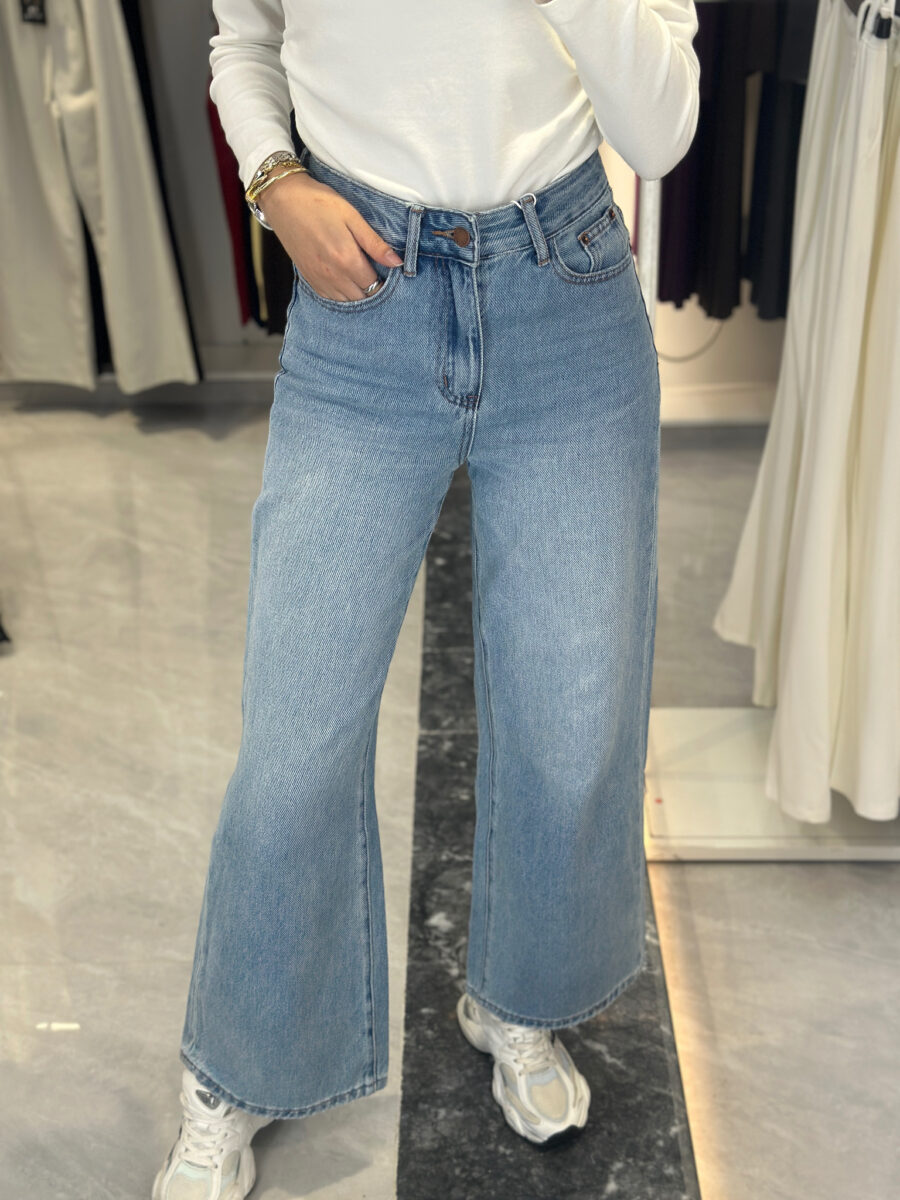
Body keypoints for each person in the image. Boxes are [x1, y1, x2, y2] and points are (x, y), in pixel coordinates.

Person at [152, 1, 700, 1196]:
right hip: (364, 296)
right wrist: (274, 181)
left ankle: (520, 1000)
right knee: (294, 732)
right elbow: (244, 38)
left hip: (566, 287)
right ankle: (246, 1057)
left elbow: (662, 131)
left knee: (572, 719)